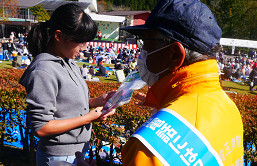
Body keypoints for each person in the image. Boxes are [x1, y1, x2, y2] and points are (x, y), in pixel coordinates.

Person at [120, 0, 243, 165]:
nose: (142, 52)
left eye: (146, 43)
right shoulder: (230, 108)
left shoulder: (149, 149)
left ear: (175, 55)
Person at [19, 4, 116, 166]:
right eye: (80, 41)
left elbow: (65, 104)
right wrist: (87, 118)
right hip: (57, 157)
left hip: (76, 151)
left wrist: (98, 101)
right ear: (58, 36)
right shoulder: (43, 70)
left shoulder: (68, 62)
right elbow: (41, 127)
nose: (85, 47)